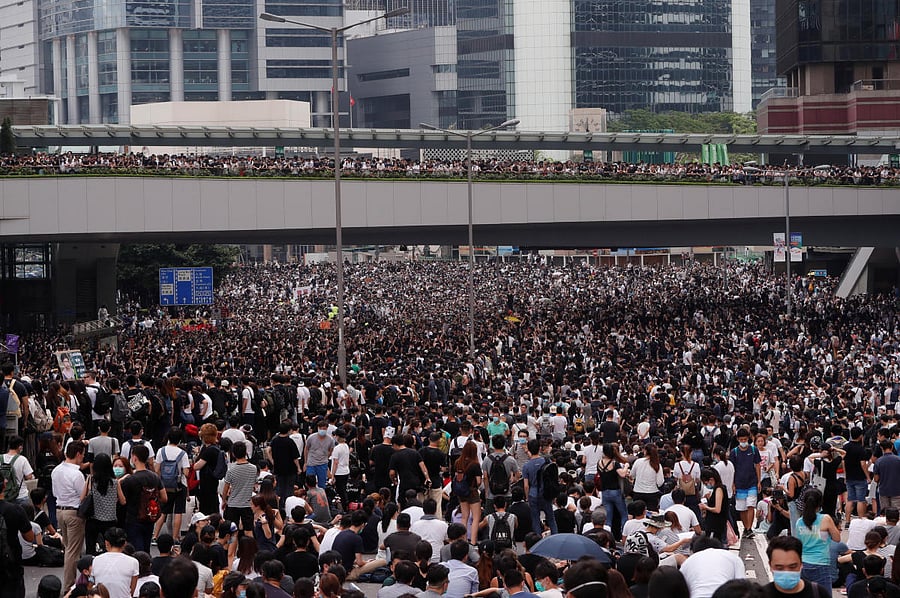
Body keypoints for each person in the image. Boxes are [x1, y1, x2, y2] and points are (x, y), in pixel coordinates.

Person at [117, 443, 167, 553]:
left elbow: (122, 501)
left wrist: (118, 483)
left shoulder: (130, 480)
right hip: (150, 517)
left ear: (134, 458)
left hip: (133, 518)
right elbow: (164, 498)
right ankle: (147, 567)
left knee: (136, 549)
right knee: (146, 547)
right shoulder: (154, 477)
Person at [52, 440, 86, 590]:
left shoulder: (56, 470)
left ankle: (69, 583)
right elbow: (82, 496)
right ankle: (69, 586)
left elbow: (54, 493)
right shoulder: (77, 474)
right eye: (83, 455)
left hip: (59, 510)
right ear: (78, 454)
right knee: (72, 551)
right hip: (73, 512)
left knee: (68, 548)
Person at [794, 488, 841, 589]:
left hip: (803, 564)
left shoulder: (799, 522)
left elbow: (797, 544)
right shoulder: (825, 519)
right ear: (820, 503)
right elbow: (837, 538)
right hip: (821, 564)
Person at [153, 428, 190, 544]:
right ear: (179, 439)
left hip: (164, 485)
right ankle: (175, 538)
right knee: (178, 512)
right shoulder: (182, 453)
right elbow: (186, 473)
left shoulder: (161, 451)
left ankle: (155, 536)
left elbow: (157, 469)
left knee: (163, 511)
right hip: (179, 485)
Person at [763, 535, 831, 598]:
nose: (787, 572)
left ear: (801, 563)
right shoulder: (760, 595)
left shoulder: (819, 593)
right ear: (770, 565)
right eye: (779, 568)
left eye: (792, 567)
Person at [679, 535, 745, 598]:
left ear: (694, 551)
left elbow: (682, 589)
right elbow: (742, 587)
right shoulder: (733, 557)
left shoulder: (689, 561)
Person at [83, 453, 120, 555]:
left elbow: (82, 498)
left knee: (90, 549)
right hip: (110, 520)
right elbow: (123, 500)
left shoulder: (91, 480)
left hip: (93, 520)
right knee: (111, 549)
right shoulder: (115, 482)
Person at [521, 439, 557, 536]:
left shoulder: (526, 466)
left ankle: (537, 540)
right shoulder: (546, 461)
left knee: (535, 519)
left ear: (528, 449)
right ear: (540, 448)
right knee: (551, 518)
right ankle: (555, 537)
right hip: (545, 492)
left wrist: (527, 497)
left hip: (533, 493)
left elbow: (526, 485)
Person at [732, 427, 762, 539]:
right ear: (738, 439)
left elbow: (758, 466)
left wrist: (759, 481)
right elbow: (732, 469)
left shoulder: (754, 450)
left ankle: (749, 528)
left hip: (752, 483)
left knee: (750, 506)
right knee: (742, 508)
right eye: (741, 439)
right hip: (739, 484)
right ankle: (746, 527)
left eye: (745, 439)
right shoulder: (734, 452)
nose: (743, 441)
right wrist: (733, 484)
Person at [223, 439, 258, 536]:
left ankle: (233, 550)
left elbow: (225, 488)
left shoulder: (231, 470)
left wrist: (224, 500)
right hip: (247, 503)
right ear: (245, 452)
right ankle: (249, 549)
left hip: (233, 504)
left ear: (233, 454)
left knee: (233, 531)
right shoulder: (253, 468)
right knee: (248, 530)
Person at [92, 527, 140, 598]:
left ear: (106, 543)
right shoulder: (133, 562)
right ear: (124, 543)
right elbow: (132, 590)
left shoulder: (96, 560)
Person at [453, 441, 483, 544]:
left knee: (464, 516)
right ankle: (473, 541)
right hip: (472, 492)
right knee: (475, 517)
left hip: (461, 492)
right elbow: (478, 481)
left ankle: (463, 539)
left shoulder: (458, 462)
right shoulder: (475, 464)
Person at [270, 421, 301, 511]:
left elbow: (268, 451)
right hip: (290, 469)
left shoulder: (275, 441)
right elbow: (295, 457)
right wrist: (298, 468)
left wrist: (273, 461)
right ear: (288, 430)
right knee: (289, 488)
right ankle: (288, 507)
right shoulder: (290, 441)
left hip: (278, 468)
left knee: (280, 487)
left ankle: (279, 506)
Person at [192, 423, 223, 516]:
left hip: (207, 481)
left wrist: (196, 456)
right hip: (212, 480)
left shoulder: (209, 450)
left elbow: (196, 466)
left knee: (207, 506)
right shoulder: (214, 448)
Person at [631, 444, 665, 511]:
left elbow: (632, 475)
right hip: (652, 493)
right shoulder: (657, 464)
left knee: (638, 514)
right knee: (651, 516)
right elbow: (660, 482)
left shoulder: (638, 462)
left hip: (638, 491)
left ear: (645, 451)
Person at [699, 467, 728, 542]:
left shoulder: (719, 489)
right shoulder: (717, 488)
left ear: (711, 479)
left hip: (715, 525)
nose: (706, 485)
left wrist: (706, 507)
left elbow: (717, 509)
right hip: (714, 524)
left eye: (706, 483)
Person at [304, 419, 334, 489]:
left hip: (323, 464)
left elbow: (330, 451)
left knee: (322, 484)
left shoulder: (330, 440)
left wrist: (325, 457)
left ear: (327, 429)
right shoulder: (311, 437)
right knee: (310, 483)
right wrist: (306, 462)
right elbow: (306, 449)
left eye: (324, 428)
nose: (322, 430)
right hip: (311, 463)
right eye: (320, 428)